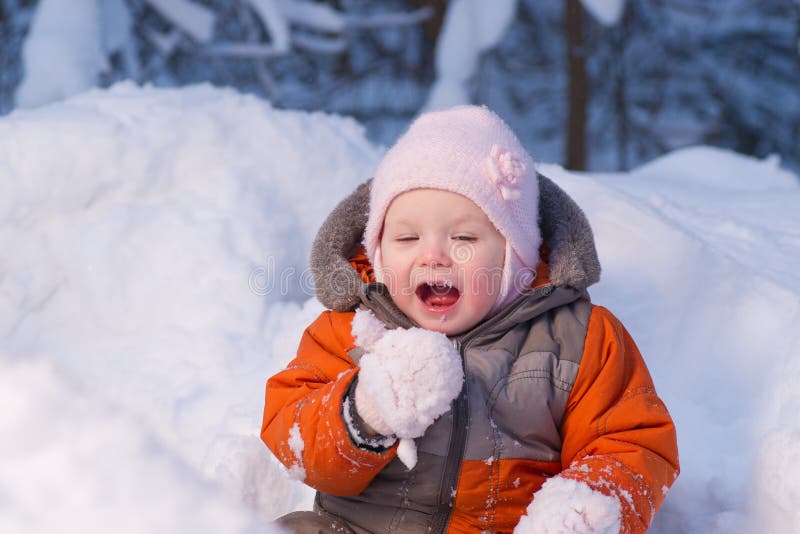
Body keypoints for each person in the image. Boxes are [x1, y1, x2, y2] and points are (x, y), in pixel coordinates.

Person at [261, 106, 679, 533]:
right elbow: (296, 439)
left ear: (515, 256)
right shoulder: (348, 331)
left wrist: (583, 508)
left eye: (463, 238)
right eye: (407, 238)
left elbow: (631, 442)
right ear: (379, 253)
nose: (433, 255)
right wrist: (364, 412)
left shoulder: (579, 339)